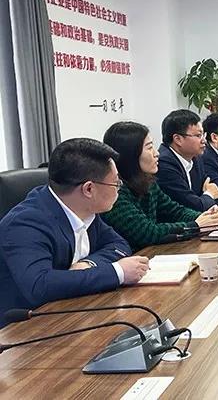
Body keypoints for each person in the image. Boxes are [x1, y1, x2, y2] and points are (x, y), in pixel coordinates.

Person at [0, 138, 149, 327]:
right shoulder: (25, 224)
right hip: (25, 329)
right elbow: (39, 285)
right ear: (89, 189)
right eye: (115, 183)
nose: (119, 189)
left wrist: (89, 264)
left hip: (73, 311)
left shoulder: (83, 209)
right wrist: (117, 272)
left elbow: (118, 245)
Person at [102, 121, 218, 252]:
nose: (156, 153)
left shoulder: (148, 182)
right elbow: (147, 232)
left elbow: (174, 211)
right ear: (130, 154)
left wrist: (207, 217)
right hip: (133, 258)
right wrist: (196, 225)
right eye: (149, 148)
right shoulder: (115, 192)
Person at [156, 109, 218, 211]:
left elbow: (216, 196)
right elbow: (193, 206)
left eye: (203, 135)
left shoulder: (196, 158)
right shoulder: (164, 164)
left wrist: (207, 197)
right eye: (198, 135)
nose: (204, 141)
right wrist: (209, 194)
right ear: (178, 139)